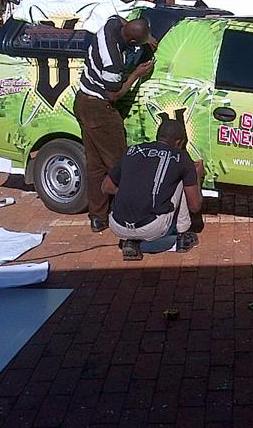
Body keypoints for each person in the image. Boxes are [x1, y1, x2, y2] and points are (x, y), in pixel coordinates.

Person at [75, 16, 157, 232]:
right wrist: (137, 74)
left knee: (95, 166)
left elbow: (121, 19)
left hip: (83, 101)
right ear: (132, 42)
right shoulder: (113, 63)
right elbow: (114, 95)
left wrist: (146, 38)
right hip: (99, 110)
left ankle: (98, 217)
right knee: (119, 164)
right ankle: (130, 216)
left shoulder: (111, 25)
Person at [101, 120, 204, 261]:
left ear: (158, 136)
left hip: (117, 225)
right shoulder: (181, 157)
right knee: (184, 179)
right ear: (178, 142)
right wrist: (196, 175)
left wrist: (130, 193)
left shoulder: (133, 150)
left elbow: (106, 187)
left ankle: (131, 241)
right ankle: (182, 236)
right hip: (152, 227)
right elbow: (195, 206)